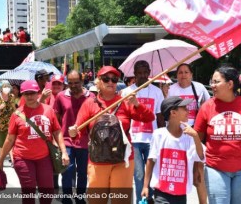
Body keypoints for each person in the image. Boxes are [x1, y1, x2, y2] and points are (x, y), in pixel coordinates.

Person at [68, 65, 155, 204]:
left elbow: (150, 118)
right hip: (97, 162)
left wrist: (138, 105)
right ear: (98, 82)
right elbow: (78, 132)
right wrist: (73, 132)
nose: (110, 82)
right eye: (106, 79)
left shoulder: (125, 101)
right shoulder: (89, 103)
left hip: (123, 160)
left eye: (114, 79)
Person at [194, 66, 241, 204]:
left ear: (230, 84)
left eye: (216, 82)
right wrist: (197, 166)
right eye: (212, 81)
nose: (212, 85)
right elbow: (197, 139)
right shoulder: (207, 107)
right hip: (215, 169)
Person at [0, 80, 69, 204]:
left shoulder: (48, 110)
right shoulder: (17, 115)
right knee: (29, 194)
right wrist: (0, 160)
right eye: (26, 93)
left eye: (33, 93)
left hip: (44, 158)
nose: (30, 96)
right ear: (22, 95)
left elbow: (57, 132)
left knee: (47, 193)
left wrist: (64, 152)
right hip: (23, 158)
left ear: (38, 93)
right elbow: (10, 139)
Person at [141, 96, 205, 204]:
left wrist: (196, 136)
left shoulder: (189, 136)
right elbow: (151, 160)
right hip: (161, 191)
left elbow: (200, 157)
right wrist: (145, 186)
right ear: (173, 113)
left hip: (181, 193)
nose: (188, 111)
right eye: (184, 108)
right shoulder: (159, 134)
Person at [121, 60, 165, 203]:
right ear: (134, 74)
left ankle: (151, 199)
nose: (142, 75)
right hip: (133, 139)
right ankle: (142, 200)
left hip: (152, 139)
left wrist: (163, 136)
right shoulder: (126, 92)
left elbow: (159, 116)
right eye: (139, 73)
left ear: (149, 73)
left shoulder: (157, 92)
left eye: (145, 72)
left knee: (151, 172)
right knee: (139, 174)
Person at [168, 63, 210, 204]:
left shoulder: (199, 88)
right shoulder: (171, 90)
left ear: (191, 74)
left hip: (195, 132)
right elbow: (167, 112)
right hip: (177, 134)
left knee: (199, 170)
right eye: (180, 72)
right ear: (176, 75)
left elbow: (208, 107)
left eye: (186, 72)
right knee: (179, 169)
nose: (183, 75)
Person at [53, 70, 94, 204]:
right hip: (66, 140)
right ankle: (67, 196)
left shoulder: (91, 96)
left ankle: (80, 196)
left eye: (76, 82)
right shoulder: (60, 96)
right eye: (70, 83)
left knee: (82, 172)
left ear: (82, 82)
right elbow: (56, 119)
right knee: (67, 171)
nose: (73, 85)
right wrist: (56, 139)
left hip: (84, 141)